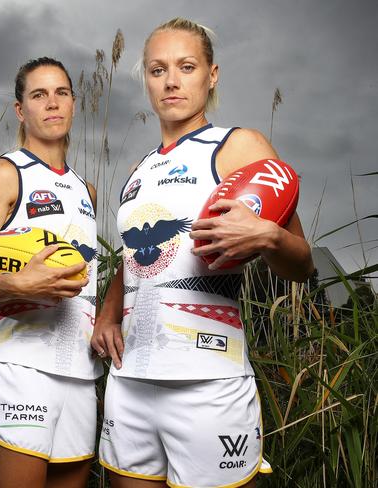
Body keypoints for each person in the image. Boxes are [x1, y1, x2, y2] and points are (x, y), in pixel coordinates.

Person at [91, 18, 314, 488]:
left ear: (211, 74)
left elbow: (302, 263)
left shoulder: (240, 145)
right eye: (157, 69)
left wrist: (268, 237)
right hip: (130, 381)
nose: (171, 81)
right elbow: (138, 257)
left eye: (186, 66)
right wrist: (107, 316)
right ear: (147, 80)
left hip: (207, 381)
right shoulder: (139, 169)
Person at [0, 57, 101, 488]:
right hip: (20, 364)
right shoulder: (5, 173)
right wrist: (17, 283)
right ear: (20, 109)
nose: (52, 103)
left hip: (79, 367)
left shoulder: (86, 189)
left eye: (61, 93)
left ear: (73, 103)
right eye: (38, 95)